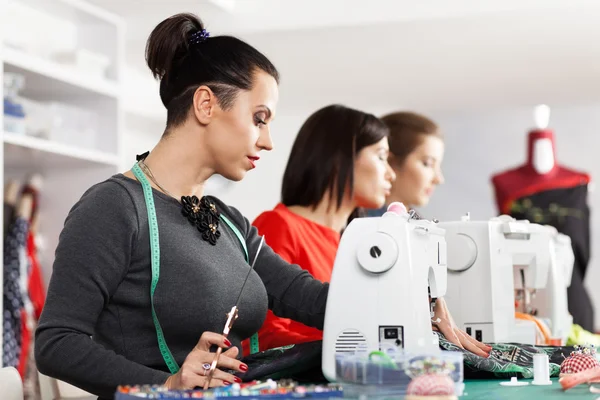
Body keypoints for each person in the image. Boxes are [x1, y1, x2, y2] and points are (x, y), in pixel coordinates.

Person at [34, 13, 329, 400]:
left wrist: (413, 303)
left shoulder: (227, 220)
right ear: (206, 104)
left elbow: (304, 296)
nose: (268, 141)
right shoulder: (114, 208)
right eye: (259, 119)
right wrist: (168, 385)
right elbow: (56, 343)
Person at [246, 106, 490, 358]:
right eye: (381, 157)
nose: (390, 173)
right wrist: (367, 346)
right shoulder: (278, 225)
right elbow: (265, 338)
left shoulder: (353, 241)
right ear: (341, 158)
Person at [367, 111, 445, 216]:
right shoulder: (358, 225)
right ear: (389, 162)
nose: (439, 179)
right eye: (427, 164)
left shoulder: (422, 227)